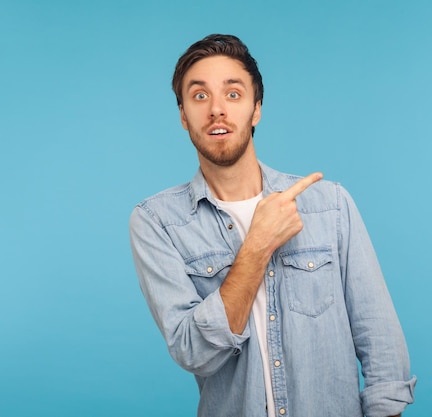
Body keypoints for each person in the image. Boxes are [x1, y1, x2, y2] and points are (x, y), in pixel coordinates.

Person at [129, 34, 416, 417]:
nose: (217, 109)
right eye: (199, 96)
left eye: (233, 94)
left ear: (256, 109)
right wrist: (258, 244)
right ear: (183, 116)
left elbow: (380, 342)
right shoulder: (157, 223)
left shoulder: (328, 205)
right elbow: (193, 351)